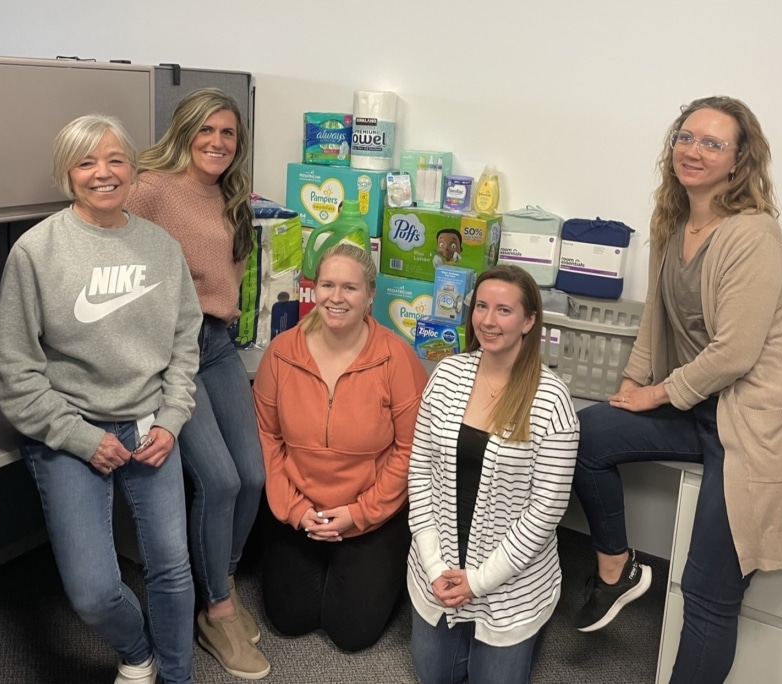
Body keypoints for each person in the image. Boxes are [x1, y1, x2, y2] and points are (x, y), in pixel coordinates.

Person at [573, 96, 782, 683]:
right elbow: (654, 322)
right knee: (588, 431)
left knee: (706, 591)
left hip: (749, 423)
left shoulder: (754, 235)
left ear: (739, 159)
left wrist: (655, 394)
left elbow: (736, 352)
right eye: (685, 136)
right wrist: (627, 388)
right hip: (695, 405)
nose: (693, 151)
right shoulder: (671, 222)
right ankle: (616, 567)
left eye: (712, 143)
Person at [0, 114, 202, 684]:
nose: (103, 173)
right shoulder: (36, 252)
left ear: (132, 168)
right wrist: (82, 439)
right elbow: (16, 371)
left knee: (173, 568)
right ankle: (139, 653)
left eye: (115, 160)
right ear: (68, 173)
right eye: (87, 162)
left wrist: (173, 419)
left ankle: (177, 677)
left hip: (151, 424)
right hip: (71, 427)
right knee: (91, 592)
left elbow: (185, 344)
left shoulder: (161, 247)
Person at [125, 87, 269, 679]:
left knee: (255, 476)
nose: (217, 142)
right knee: (219, 479)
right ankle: (218, 608)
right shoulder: (150, 188)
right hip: (170, 351)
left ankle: (220, 576)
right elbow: (115, 262)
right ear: (184, 131)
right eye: (206, 130)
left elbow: (226, 281)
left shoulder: (230, 194)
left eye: (228, 133)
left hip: (219, 345)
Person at [406, 264, 579, 684]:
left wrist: (479, 582)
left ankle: (529, 628)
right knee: (434, 676)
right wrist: (434, 567)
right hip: (440, 564)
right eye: (481, 306)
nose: (488, 320)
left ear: (529, 320)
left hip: (510, 582)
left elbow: (546, 511)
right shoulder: (447, 375)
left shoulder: (551, 399)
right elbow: (419, 474)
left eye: (504, 310)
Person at [252, 243, 428, 652]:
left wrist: (360, 513)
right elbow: (267, 437)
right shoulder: (282, 353)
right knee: (289, 620)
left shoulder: (396, 359)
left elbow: (410, 449)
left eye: (350, 287)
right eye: (327, 285)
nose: (336, 297)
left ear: (370, 295)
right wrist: (295, 510)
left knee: (351, 633)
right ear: (314, 290)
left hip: (370, 508)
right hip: (300, 506)